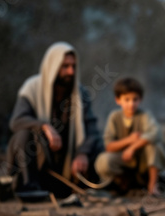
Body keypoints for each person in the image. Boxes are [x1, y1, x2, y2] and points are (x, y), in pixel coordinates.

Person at [6, 42, 102, 198]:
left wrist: (82, 153)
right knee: (23, 135)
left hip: (68, 165)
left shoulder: (80, 93)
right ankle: (30, 187)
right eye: (65, 66)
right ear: (52, 65)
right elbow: (16, 121)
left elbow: (92, 129)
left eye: (73, 66)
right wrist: (44, 126)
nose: (71, 71)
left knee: (99, 144)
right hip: (38, 162)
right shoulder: (32, 87)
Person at [95, 77, 165, 196]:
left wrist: (132, 147)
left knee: (154, 146)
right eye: (127, 99)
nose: (131, 104)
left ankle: (153, 185)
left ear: (140, 99)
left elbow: (156, 133)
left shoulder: (144, 115)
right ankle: (122, 183)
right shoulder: (114, 117)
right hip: (124, 160)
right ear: (118, 100)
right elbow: (109, 146)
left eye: (135, 99)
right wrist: (129, 140)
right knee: (103, 160)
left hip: (143, 160)